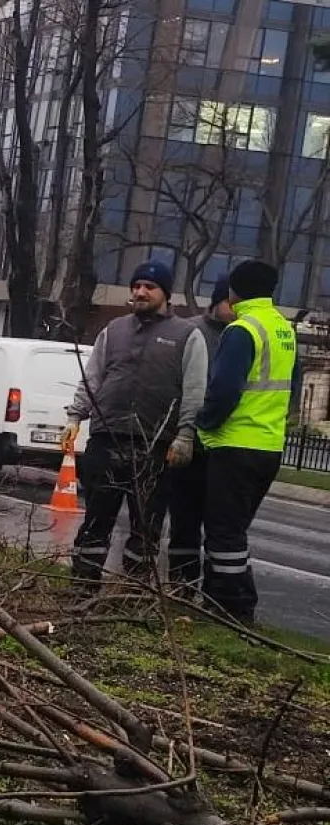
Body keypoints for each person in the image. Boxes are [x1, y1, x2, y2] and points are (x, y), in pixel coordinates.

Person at [60, 261, 208, 587]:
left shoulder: (187, 336)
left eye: (149, 287)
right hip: (107, 438)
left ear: (165, 294)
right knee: (97, 519)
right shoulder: (113, 330)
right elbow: (93, 377)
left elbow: (195, 390)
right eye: (136, 285)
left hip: (154, 445)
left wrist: (185, 435)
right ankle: (82, 587)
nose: (140, 292)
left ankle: (135, 594)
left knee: (147, 526)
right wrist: (75, 417)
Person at [173, 260, 297, 621]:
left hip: (235, 445)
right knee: (234, 531)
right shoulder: (283, 329)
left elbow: (224, 389)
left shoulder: (243, 330)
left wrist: (203, 425)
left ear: (234, 291)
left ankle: (230, 609)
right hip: (268, 446)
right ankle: (228, 603)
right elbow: (293, 390)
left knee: (223, 533)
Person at [168, 277, 235, 588]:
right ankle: (182, 582)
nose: (235, 310)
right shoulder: (191, 331)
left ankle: (214, 592)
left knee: (221, 525)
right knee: (185, 519)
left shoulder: (244, 335)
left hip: (226, 445)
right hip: (192, 442)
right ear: (216, 301)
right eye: (230, 303)